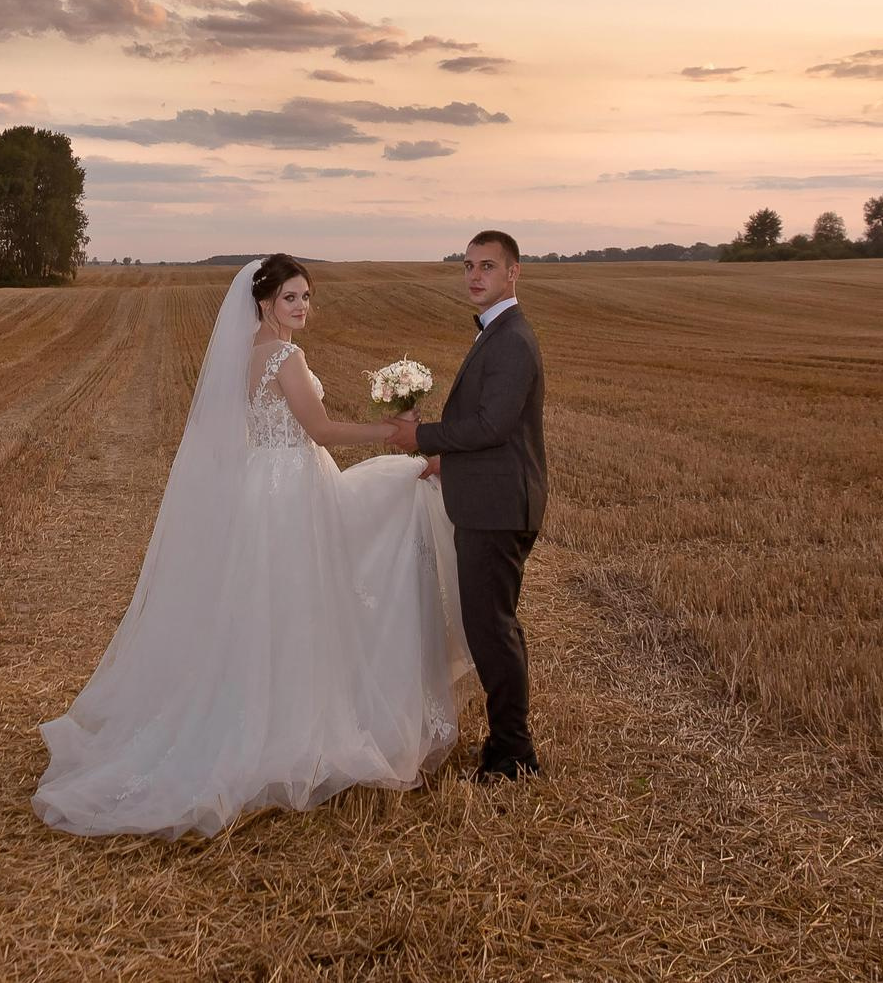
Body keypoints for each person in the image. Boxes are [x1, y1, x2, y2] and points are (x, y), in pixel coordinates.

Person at [34, 253, 471, 837]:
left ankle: (259, 713)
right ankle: (291, 725)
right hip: (291, 488)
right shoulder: (286, 356)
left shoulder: (243, 355)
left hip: (263, 487)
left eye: (307, 297)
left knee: (268, 605)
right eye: (290, 297)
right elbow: (320, 431)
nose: (301, 307)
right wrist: (395, 433)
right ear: (264, 302)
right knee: (307, 592)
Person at [389, 229, 549, 780]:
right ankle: (510, 744)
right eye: (467, 266)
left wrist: (423, 439)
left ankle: (513, 754)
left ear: (513, 273)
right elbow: (491, 430)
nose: (474, 276)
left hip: (498, 507)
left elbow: (492, 424)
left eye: (487, 266)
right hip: (491, 497)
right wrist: (445, 462)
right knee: (494, 625)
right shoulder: (498, 332)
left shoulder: (511, 339)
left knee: (491, 629)